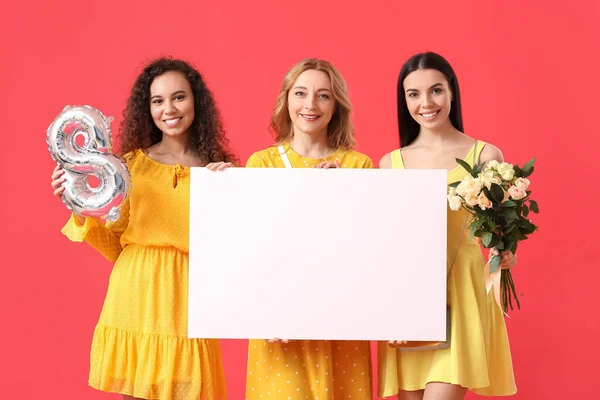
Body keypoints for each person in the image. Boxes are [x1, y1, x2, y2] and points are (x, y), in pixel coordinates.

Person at [50, 57, 236, 400]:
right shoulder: (131, 165)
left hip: (189, 300)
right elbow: (116, 246)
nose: (169, 109)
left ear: (196, 100)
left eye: (179, 97)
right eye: (158, 100)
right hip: (136, 295)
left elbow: (236, 249)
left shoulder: (218, 172)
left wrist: (231, 191)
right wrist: (76, 206)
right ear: (147, 108)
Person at [378, 52, 518, 400]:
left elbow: (500, 236)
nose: (425, 103)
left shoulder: (485, 156)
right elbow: (384, 243)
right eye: (413, 94)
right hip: (410, 299)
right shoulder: (390, 164)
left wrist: (505, 251)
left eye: (435, 90)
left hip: (463, 292)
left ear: (452, 92)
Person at [244, 58, 374, 399]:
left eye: (323, 96)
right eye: (300, 93)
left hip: (340, 320)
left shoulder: (358, 165)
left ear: (337, 106)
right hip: (279, 321)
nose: (310, 105)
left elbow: (367, 249)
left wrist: (343, 194)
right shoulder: (261, 164)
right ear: (287, 100)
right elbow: (252, 247)